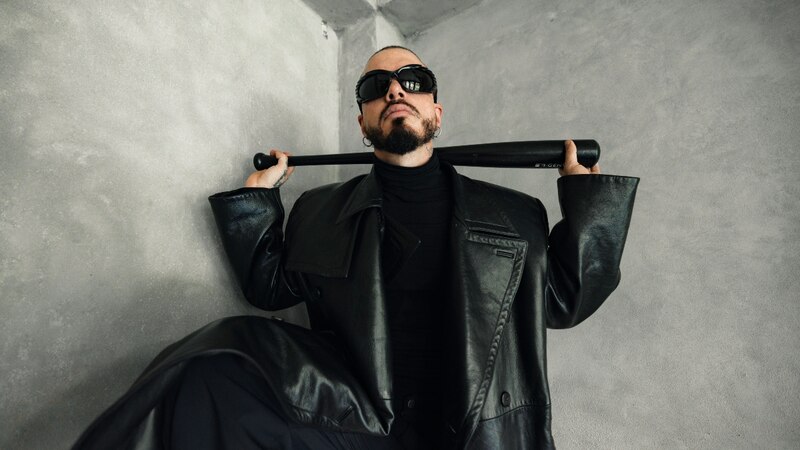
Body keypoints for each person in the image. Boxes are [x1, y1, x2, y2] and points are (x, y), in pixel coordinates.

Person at [72, 46, 638, 450]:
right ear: (363, 122)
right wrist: (256, 204)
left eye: (413, 80)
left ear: (436, 112)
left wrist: (586, 197)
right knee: (206, 368)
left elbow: (567, 300)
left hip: (477, 428)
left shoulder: (514, 214)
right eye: (375, 87)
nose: (395, 89)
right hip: (358, 421)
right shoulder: (320, 211)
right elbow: (269, 290)